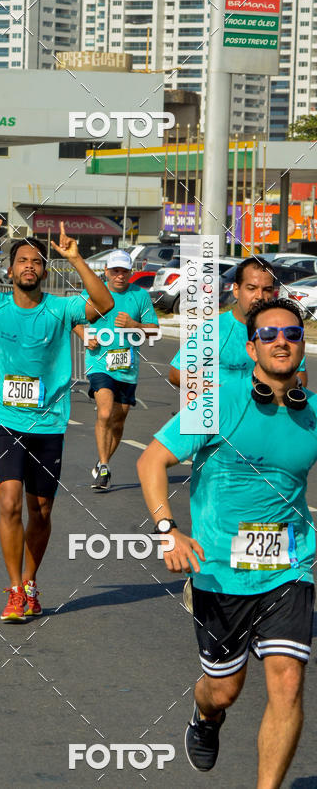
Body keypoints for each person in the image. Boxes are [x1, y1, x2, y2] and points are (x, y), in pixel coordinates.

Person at [137, 297, 316, 785]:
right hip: (219, 572)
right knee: (224, 690)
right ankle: (205, 716)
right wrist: (168, 530)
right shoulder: (217, 402)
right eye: (269, 334)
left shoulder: (313, 414)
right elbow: (151, 461)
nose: (282, 341)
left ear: (302, 345)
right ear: (252, 347)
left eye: (292, 334)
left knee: (288, 682)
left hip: (290, 567)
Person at [0, 222, 114, 622]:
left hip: (49, 425)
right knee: (10, 503)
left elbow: (103, 303)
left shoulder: (61, 308)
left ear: (44, 271)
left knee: (41, 511)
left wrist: (76, 258)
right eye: (22, 261)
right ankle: (15, 590)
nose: (29, 266)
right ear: (10, 270)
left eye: (36, 261)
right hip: (5, 422)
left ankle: (31, 582)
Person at [74, 249, 159, 489]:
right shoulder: (93, 292)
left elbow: (154, 331)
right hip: (99, 363)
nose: (120, 276)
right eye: (115, 271)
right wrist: (85, 336)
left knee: (118, 421)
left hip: (127, 367)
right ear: (106, 271)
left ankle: (104, 462)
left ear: (130, 272)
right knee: (104, 413)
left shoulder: (139, 296)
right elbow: (74, 319)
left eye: (124, 271)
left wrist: (134, 324)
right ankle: (104, 467)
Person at [169, 257, 307, 387]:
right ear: (236, 290)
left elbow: (300, 375)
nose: (260, 296)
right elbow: (177, 373)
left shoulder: (284, 331)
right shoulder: (214, 330)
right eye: (251, 288)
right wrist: (224, 395)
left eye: (267, 290)